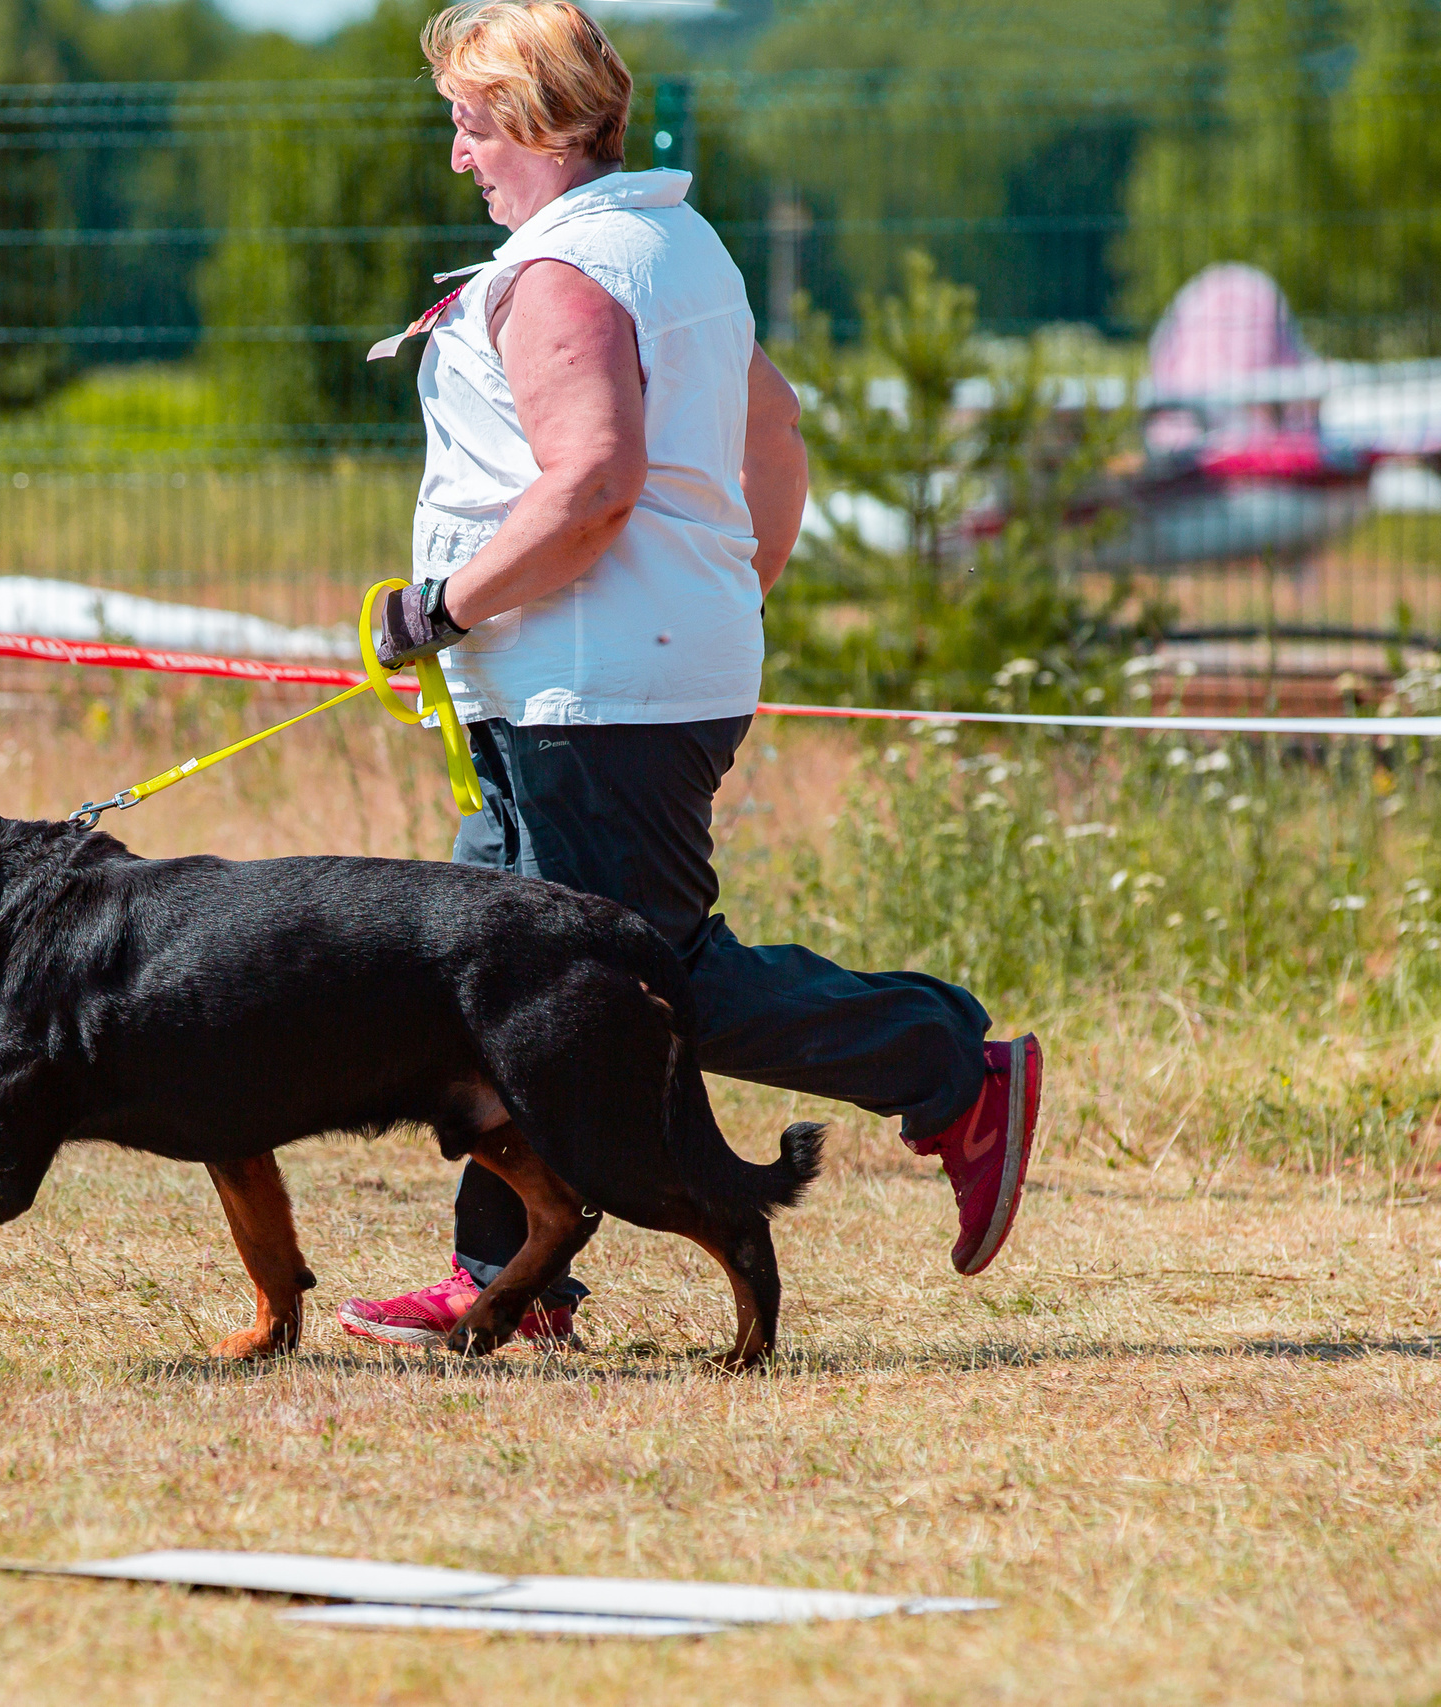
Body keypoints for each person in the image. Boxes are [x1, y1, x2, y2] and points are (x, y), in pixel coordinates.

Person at [338, 0, 1042, 1351]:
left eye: (471, 126)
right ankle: (509, 1285)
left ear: (538, 125)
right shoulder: (673, 240)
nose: (457, 156)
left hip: (593, 698)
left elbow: (593, 480)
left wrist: (439, 608)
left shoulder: (561, 272)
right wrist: (732, 590)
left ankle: (950, 1071)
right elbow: (773, 429)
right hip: (621, 679)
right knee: (497, 979)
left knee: (624, 992)